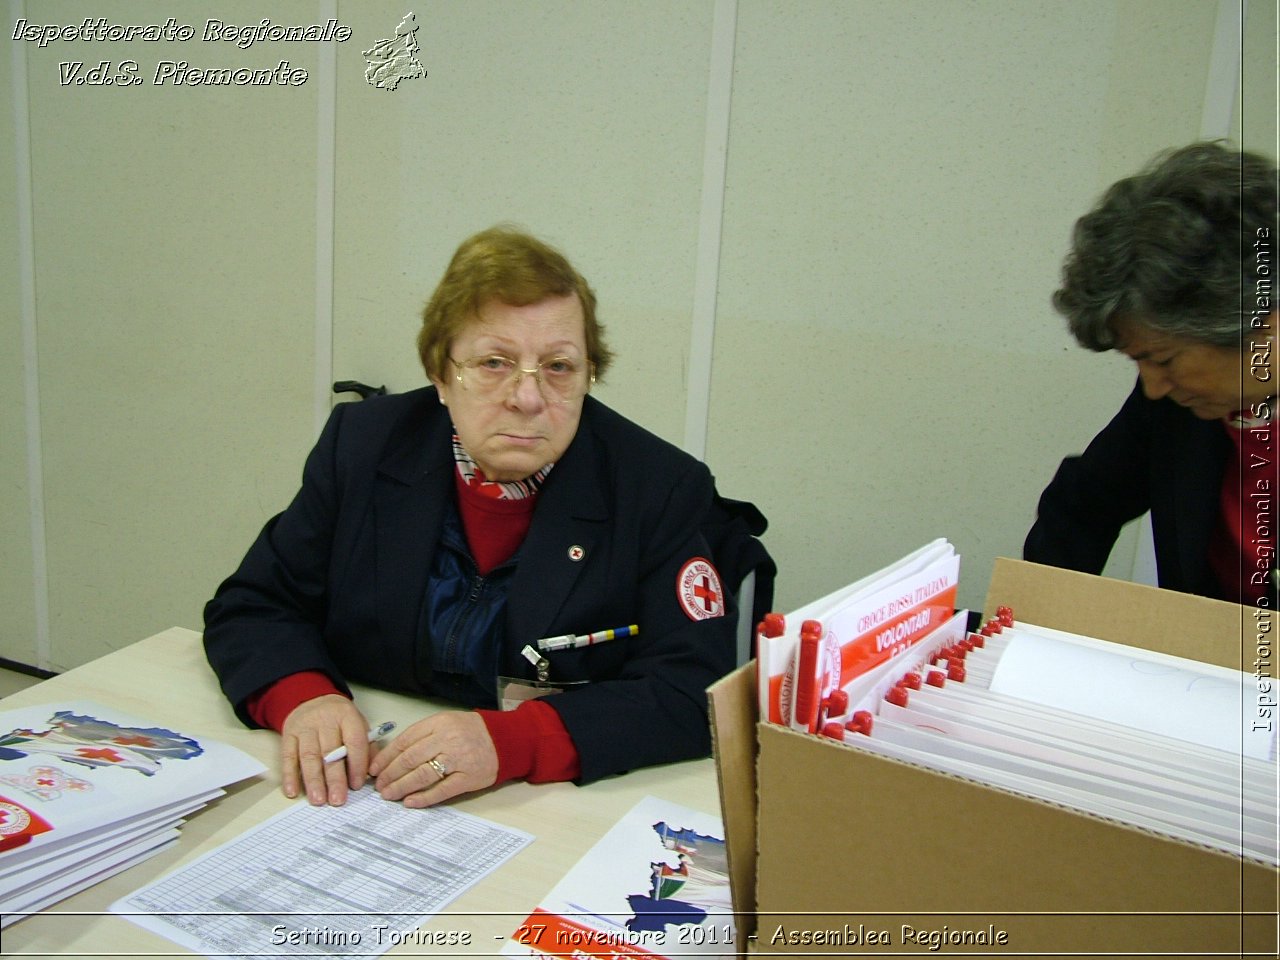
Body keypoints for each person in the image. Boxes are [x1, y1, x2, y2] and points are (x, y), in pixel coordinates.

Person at [204, 226, 773, 808]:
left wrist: (516, 741)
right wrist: (304, 696)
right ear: (441, 375)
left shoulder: (656, 487)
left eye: (558, 367)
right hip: (360, 785)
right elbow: (254, 604)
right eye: (495, 362)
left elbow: (691, 693)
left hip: (552, 808)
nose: (528, 398)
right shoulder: (364, 447)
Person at [1024, 141, 1277, 607]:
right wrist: (1035, 629)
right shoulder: (1174, 404)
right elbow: (1082, 505)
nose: (1153, 386)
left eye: (1163, 359)